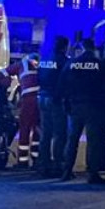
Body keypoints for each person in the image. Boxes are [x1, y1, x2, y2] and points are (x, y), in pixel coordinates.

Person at [60, 37, 105, 184]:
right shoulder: (100, 64)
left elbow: (63, 84)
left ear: (81, 48)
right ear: (93, 48)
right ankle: (93, 173)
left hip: (75, 106)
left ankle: (66, 171)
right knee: (93, 141)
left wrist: (66, 102)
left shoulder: (72, 63)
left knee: (72, 140)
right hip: (94, 107)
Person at [36, 37, 69, 176]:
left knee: (46, 133)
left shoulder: (44, 59)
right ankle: (57, 164)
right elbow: (66, 81)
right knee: (59, 134)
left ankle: (43, 163)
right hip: (56, 100)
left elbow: (39, 76)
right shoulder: (64, 61)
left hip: (42, 97)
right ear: (64, 47)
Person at [14, 55, 42, 168]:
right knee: (38, 129)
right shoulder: (42, 65)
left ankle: (22, 161)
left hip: (27, 100)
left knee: (24, 128)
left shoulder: (21, 64)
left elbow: (3, 73)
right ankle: (36, 159)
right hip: (40, 99)